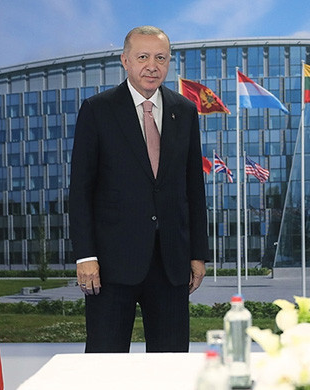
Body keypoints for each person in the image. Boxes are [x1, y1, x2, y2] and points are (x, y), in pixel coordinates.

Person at [69, 26, 209, 353]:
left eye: (160, 58)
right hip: (110, 265)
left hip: (171, 263)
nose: (152, 66)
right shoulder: (98, 110)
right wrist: (86, 256)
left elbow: (193, 188)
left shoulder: (185, 111)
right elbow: (80, 191)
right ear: (125, 61)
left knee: (171, 365)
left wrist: (197, 254)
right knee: (104, 362)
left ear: (169, 62)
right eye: (143, 57)